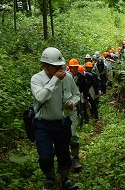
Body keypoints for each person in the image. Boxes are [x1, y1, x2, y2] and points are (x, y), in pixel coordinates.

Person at [31, 47, 79, 190]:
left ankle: (65, 178)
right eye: (55, 67)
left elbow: (76, 95)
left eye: (60, 66)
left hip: (62, 122)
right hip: (43, 124)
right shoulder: (37, 79)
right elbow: (40, 97)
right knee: (45, 156)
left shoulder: (68, 77)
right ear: (45, 66)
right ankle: (50, 178)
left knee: (64, 154)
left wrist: (73, 102)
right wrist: (55, 80)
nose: (60, 69)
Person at [67, 58, 85, 172]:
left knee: (72, 134)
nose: (74, 69)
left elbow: (79, 92)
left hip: (72, 108)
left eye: (75, 67)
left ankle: (75, 157)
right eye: (72, 67)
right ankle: (65, 157)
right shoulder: (63, 78)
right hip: (60, 111)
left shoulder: (80, 77)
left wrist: (77, 102)